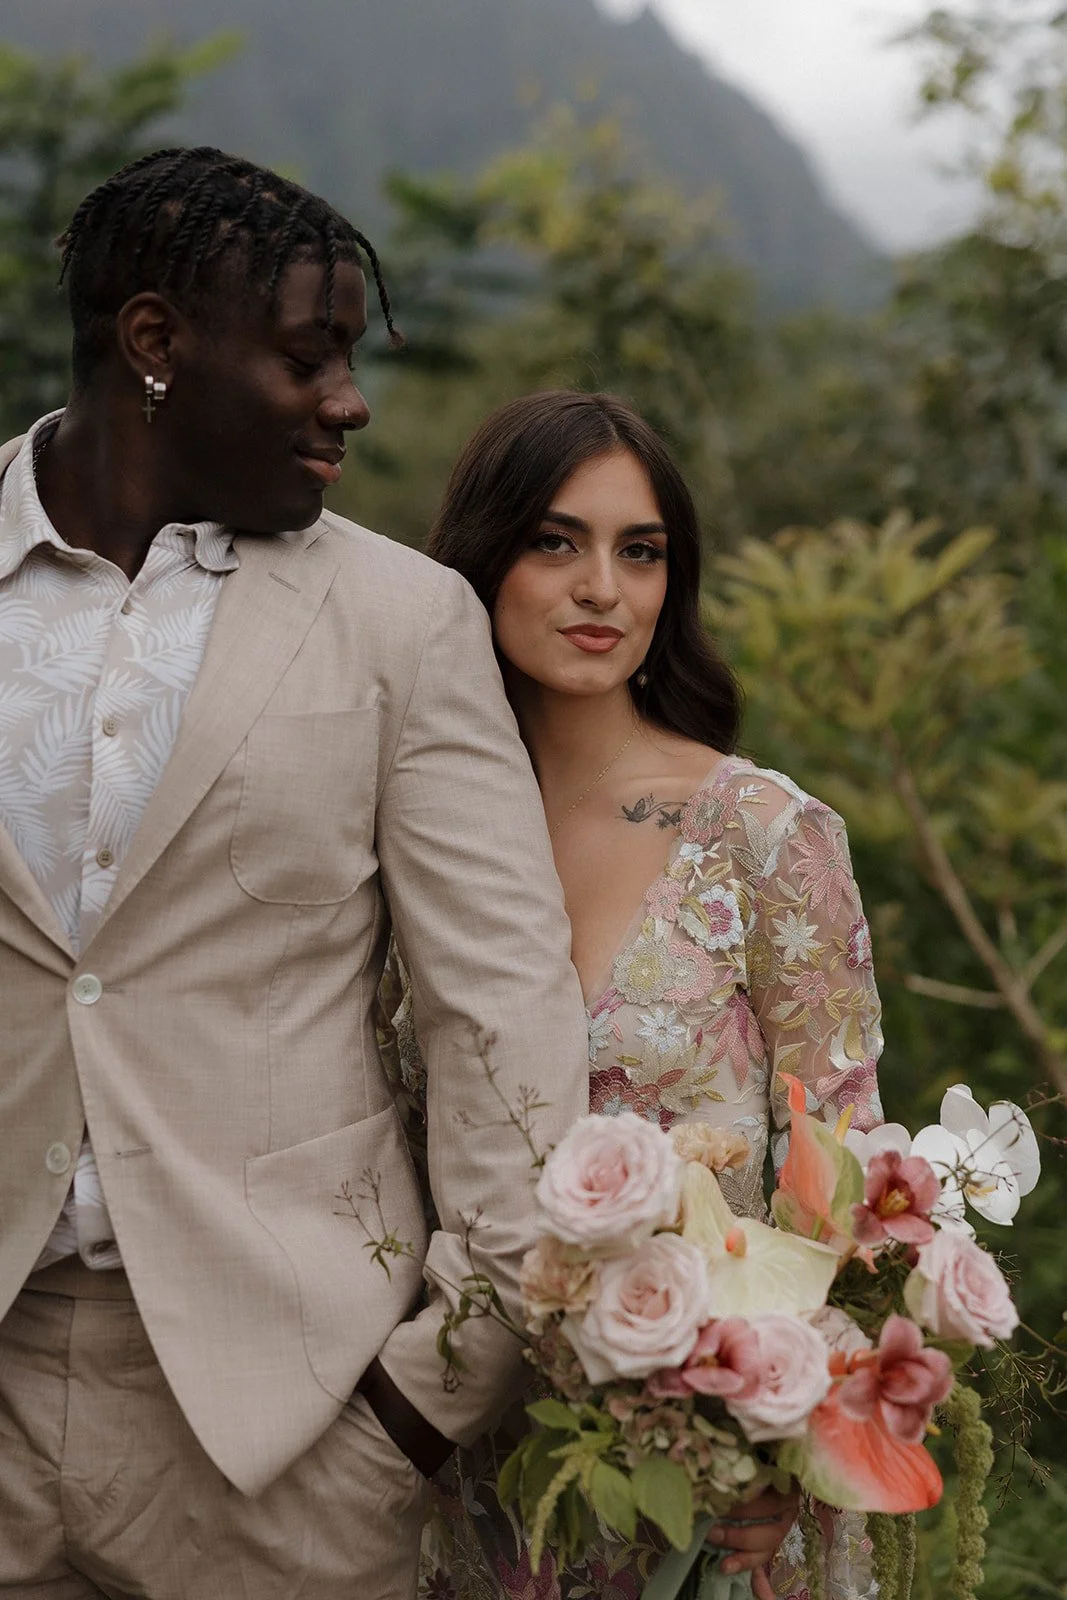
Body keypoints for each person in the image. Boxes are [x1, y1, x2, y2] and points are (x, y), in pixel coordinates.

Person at [0, 150, 588, 1598]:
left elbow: (500, 1015)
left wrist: (420, 1411)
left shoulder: (405, 622)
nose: (350, 399)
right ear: (155, 344)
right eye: (307, 357)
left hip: (288, 1438)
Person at [403, 391, 885, 1600]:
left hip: (702, 1472)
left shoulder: (763, 833)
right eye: (553, 541)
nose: (600, 590)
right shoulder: (403, 830)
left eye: (640, 551)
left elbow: (847, 1168)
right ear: (481, 555)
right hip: (443, 1456)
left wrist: (789, 1427)